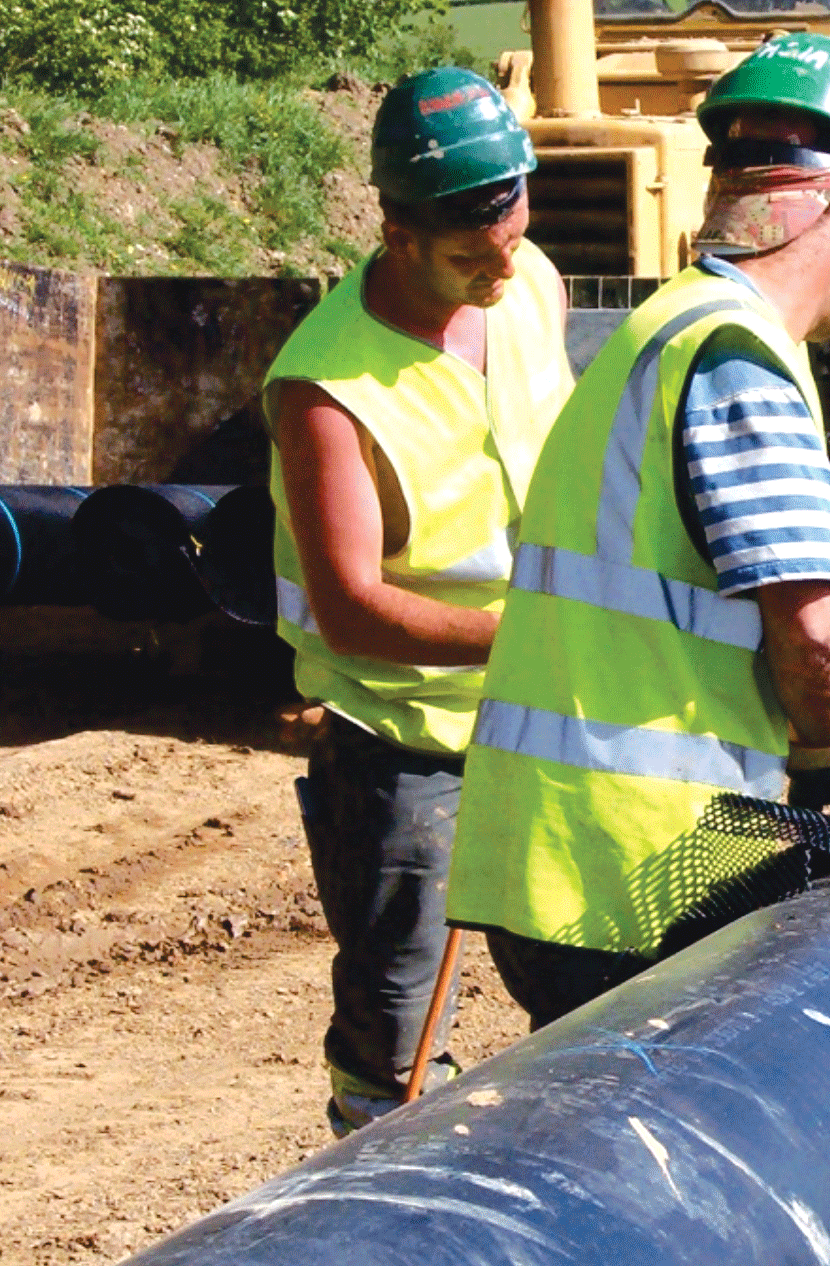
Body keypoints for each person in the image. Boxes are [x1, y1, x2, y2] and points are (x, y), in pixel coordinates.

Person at [444, 32, 830, 1029]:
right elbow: (812, 630)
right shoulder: (741, 360)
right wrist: (829, 761)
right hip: (649, 880)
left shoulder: (664, 330)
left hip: (554, 870)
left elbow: (766, 611)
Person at [264, 67, 573, 1134]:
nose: (501, 264)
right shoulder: (326, 392)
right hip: (405, 739)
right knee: (396, 1028)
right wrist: (533, 637)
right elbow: (350, 609)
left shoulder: (528, 282)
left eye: (512, 225)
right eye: (465, 250)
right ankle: (379, 1201)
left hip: (539, 718)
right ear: (395, 230)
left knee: (590, 978)